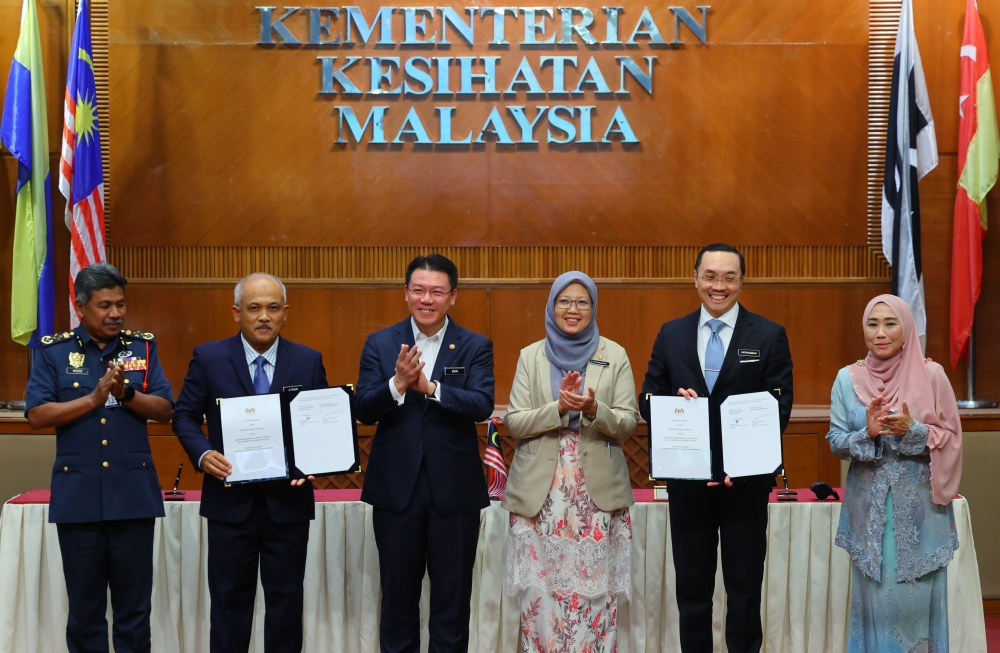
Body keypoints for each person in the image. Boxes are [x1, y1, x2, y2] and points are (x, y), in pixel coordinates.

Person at [639, 243, 793, 653]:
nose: (718, 286)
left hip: (744, 486)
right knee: (692, 593)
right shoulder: (671, 333)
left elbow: (778, 408)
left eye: (728, 277)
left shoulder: (768, 335)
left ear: (742, 281)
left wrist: (738, 464)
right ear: (695, 278)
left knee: (744, 590)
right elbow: (648, 399)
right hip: (688, 485)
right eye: (710, 276)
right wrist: (674, 404)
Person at [172, 273, 328, 653]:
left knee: (286, 607)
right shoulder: (209, 358)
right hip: (229, 505)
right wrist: (203, 453)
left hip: (287, 505)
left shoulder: (308, 360)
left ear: (285, 312)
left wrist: (314, 461)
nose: (264, 317)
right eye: (254, 308)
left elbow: (320, 421)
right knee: (229, 607)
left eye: (273, 308)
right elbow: (184, 416)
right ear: (236, 312)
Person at [24, 262, 174, 653]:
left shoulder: (142, 347)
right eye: (105, 305)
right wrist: (92, 399)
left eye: (120, 304)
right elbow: (37, 414)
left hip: (133, 498)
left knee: (134, 612)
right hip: (79, 499)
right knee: (85, 612)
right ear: (80, 307)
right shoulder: (54, 351)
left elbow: (165, 409)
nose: (116, 313)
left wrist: (126, 394)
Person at [355, 254, 495, 653]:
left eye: (436, 291)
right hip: (396, 490)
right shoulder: (380, 343)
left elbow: (482, 404)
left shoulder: (474, 345)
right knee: (397, 601)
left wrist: (432, 389)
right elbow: (363, 408)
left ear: (452, 296)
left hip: (455, 492)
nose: (426, 299)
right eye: (418, 290)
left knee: (452, 603)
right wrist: (397, 384)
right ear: (406, 293)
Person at [502, 271, 639, 653]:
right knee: (541, 597)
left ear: (593, 308)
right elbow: (514, 422)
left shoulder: (614, 354)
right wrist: (558, 409)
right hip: (541, 494)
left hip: (596, 493)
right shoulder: (531, 355)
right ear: (551, 306)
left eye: (582, 302)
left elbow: (628, 422)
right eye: (564, 301)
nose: (573, 309)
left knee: (595, 596)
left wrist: (595, 409)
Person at [827, 295, 962, 653]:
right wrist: (868, 433)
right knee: (874, 607)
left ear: (907, 329)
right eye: (873, 324)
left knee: (916, 607)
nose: (881, 333)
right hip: (869, 516)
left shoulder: (931, 375)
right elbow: (836, 441)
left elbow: (951, 436)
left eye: (891, 324)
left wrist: (912, 430)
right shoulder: (847, 379)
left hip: (920, 517)